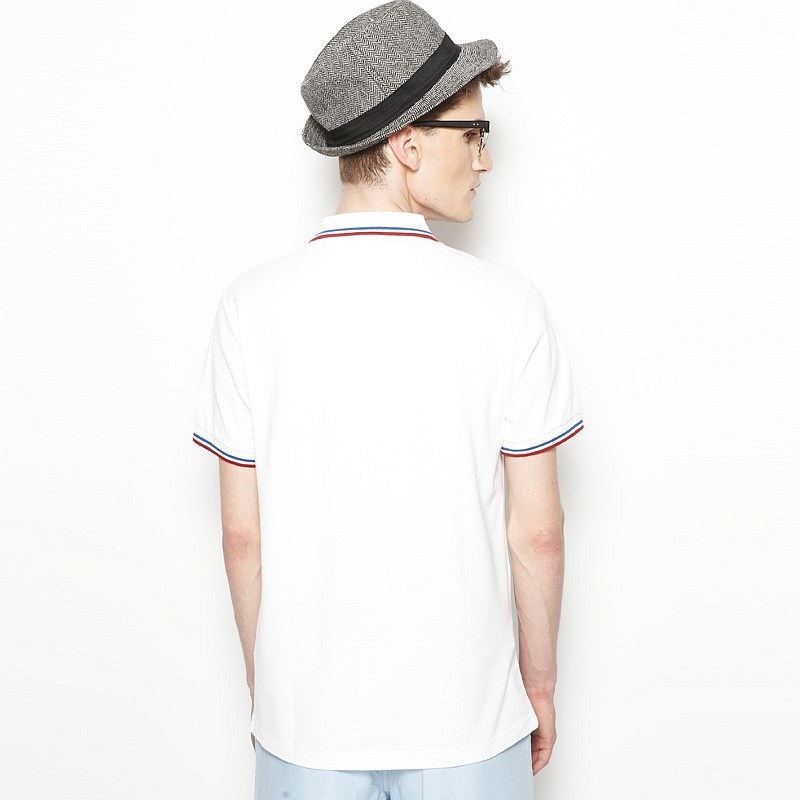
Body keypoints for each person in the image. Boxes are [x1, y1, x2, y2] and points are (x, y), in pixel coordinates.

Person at [191, 2, 583, 797]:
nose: (484, 160)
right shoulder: (508, 305)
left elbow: (242, 535)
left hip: (307, 726)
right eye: (473, 134)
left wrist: (269, 689)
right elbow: (537, 533)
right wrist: (538, 686)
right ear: (408, 146)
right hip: (471, 721)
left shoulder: (249, 307)